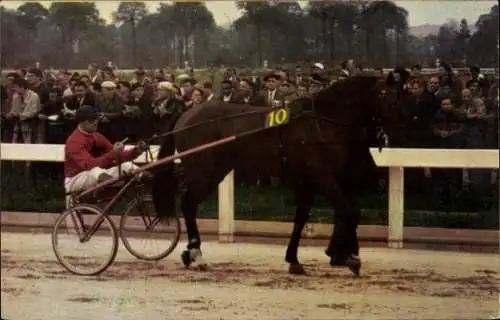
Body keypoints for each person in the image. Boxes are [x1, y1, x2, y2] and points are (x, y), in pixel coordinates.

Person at [64, 105, 147, 194]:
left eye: (97, 119)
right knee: (94, 171)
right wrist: (113, 153)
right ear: (81, 122)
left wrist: (137, 150)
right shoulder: (74, 141)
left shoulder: (96, 136)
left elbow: (119, 155)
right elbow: (88, 165)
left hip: (97, 174)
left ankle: (150, 185)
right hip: (74, 179)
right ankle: (114, 191)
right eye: (92, 120)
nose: (96, 122)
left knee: (127, 166)